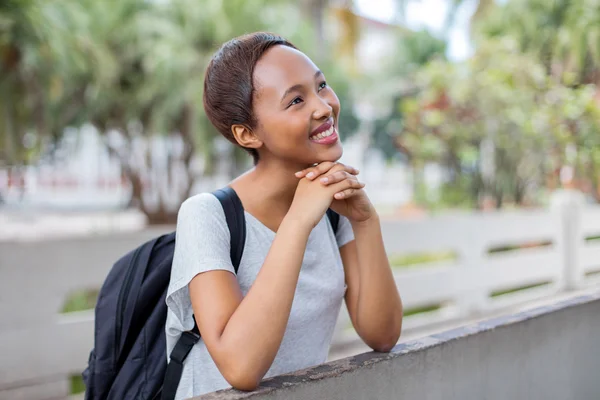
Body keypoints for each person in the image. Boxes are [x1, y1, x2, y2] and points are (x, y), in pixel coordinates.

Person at [165, 32, 403, 399]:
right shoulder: (207, 215)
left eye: (321, 85)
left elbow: (382, 334)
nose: (323, 107)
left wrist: (365, 221)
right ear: (247, 134)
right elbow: (240, 368)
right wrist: (296, 221)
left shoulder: (334, 209)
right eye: (296, 100)